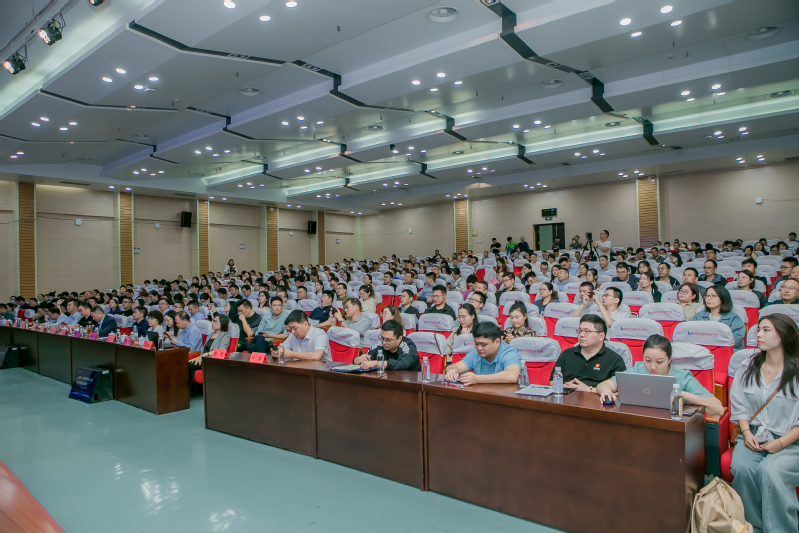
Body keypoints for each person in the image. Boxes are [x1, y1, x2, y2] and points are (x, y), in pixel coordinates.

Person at [729, 314, 799, 533]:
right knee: (742, 467)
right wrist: (746, 432)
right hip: (753, 434)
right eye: (759, 329)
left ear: (784, 334)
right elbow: (738, 403)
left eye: (766, 330)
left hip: (791, 440)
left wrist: (781, 443)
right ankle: (753, 528)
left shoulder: (796, 370)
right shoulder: (748, 365)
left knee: (771, 471)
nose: (758, 334)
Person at [596, 335, 724, 415]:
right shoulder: (638, 369)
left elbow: (717, 408)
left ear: (669, 360)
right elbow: (602, 385)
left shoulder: (682, 377)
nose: (652, 367)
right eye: (647, 360)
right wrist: (606, 392)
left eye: (659, 362)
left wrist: (682, 394)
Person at [549, 314, 626, 391]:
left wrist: (589, 389)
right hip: (566, 396)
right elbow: (552, 382)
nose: (581, 335)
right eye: (580, 331)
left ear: (601, 336)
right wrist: (563, 386)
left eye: (587, 331)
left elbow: (621, 390)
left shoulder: (614, 359)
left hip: (597, 397)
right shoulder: (567, 354)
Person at [443, 322, 521, 386]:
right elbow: (454, 367)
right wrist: (451, 371)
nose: (479, 348)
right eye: (476, 344)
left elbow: (512, 376)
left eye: (484, 345)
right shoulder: (476, 353)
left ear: (497, 342)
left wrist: (477, 379)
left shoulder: (509, 352)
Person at [352, 320, 421, 371]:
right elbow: (366, 357)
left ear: (399, 338)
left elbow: (402, 364)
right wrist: (358, 359)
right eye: (382, 338)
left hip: (409, 381)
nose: (384, 342)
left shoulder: (408, 345)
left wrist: (377, 363)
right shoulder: (380, 343)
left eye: (388, 340)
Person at [190, 315, 232, 383]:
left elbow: (221, 351)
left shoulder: (225, 335)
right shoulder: (210, 335)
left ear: (222, 323)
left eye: (215, 321)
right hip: (203, 359)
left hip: (212, 361)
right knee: (185, 365)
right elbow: (204, 350)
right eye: (213, 321)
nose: (213, 323)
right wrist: (199, 357)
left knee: (188, 366)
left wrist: (206, 354)